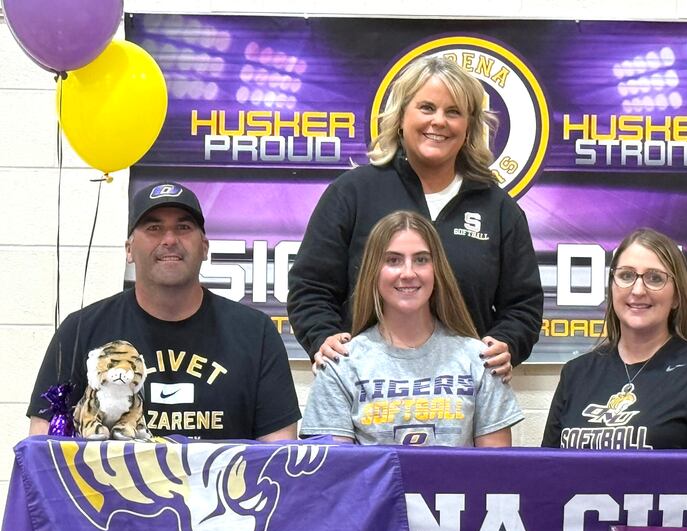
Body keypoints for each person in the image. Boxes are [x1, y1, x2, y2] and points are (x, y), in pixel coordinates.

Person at [287, 55, 543, 382]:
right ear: (400, 117)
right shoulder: (353, 192)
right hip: (364, 389)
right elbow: (309, 288)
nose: (439, 121)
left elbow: (523, 306)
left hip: (463, 391)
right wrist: (323, 336)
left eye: (453, 112)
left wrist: (507, 342)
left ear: (469, 127)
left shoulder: (499, 209)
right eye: (426, 108)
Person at [27, 182, 301, 441]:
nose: (169, 239)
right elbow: (42, 447)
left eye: (183, 227)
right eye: (154, 228)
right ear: (129, 250)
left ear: (205, 247)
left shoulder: (255, 333)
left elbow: (279, 454)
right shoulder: (80, 331)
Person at [300, 211, 523, 446]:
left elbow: (496, 466)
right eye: (393, 260)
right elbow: (335, 467)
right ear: (373, 270)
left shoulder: (480, 361)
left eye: (421, 260)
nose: (408, 273)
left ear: (437, 269)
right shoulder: (340, 364)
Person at [542, 228, 687, 450]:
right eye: (626, 276)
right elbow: (547, 467)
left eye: (655, 278)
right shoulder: (576, 374)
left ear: (677, 296)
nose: (638, 290)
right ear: (612, 286)